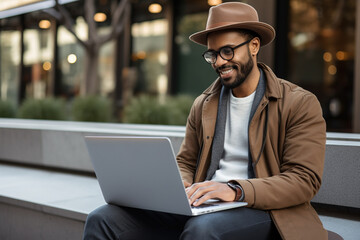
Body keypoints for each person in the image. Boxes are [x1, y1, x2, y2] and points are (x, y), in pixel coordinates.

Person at [83, 2, 327, 239]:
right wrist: (179, 184)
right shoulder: (204, 104)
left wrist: (235, 190)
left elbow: (304, 180)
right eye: (213, 54)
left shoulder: (298, 103)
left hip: (264, 210)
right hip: (205, 204)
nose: (219, 61)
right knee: (103, 219)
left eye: (228, 51)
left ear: (254, 45)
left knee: (202, 229)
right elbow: (186, 161)